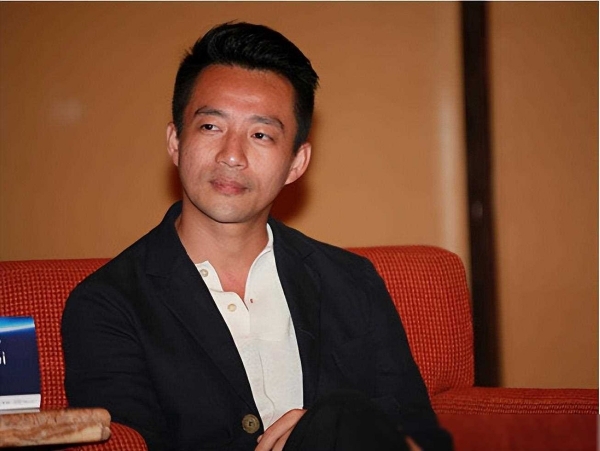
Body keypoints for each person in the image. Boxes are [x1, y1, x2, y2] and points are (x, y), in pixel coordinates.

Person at [62, 22, 451, 451]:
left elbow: (421, 439)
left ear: (296, 163)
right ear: (175, 141)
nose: (232, 156)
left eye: (261, 135)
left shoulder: (351, 282)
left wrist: (336, 431)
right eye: (211, 127)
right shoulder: (108, 304)